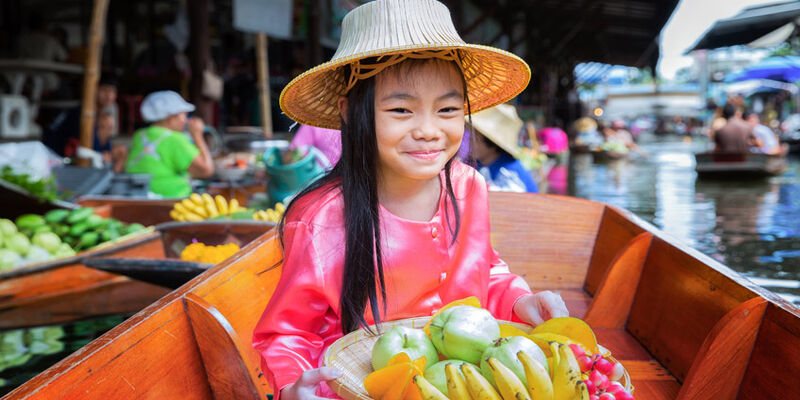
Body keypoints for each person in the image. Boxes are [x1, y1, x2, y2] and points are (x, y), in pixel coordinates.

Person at [251, 1, 569, 398]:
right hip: (359, 386)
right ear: (351, 113)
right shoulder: (321, 216)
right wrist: (292, 388)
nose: (429, 130)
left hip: (464, 383)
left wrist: (521, 300)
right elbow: (289, 334)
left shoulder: (468, 185)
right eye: (401, 109)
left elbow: (487, 271)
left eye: (448, 109)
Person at [124, 90, 214, 197]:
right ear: (171, 117)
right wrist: (197, 135)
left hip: (139, 197)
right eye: (183, 115)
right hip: (170, 201)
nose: (185, 120)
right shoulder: (175, 139)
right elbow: (206, 170)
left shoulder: (139, 135)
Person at [42, 74, 119, 156]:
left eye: (112, 91)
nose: (109, 96)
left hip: (75, 153)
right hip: (56, 155)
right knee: (105, 121)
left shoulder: (98, 113)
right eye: (104, 90)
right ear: (93, 90)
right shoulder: (83, 113)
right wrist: (101, 154)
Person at [469, 104, 539, 193]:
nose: (469, 143)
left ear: (491, 143)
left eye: (475, 140)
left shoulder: (509, 172)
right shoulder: (475, 164)